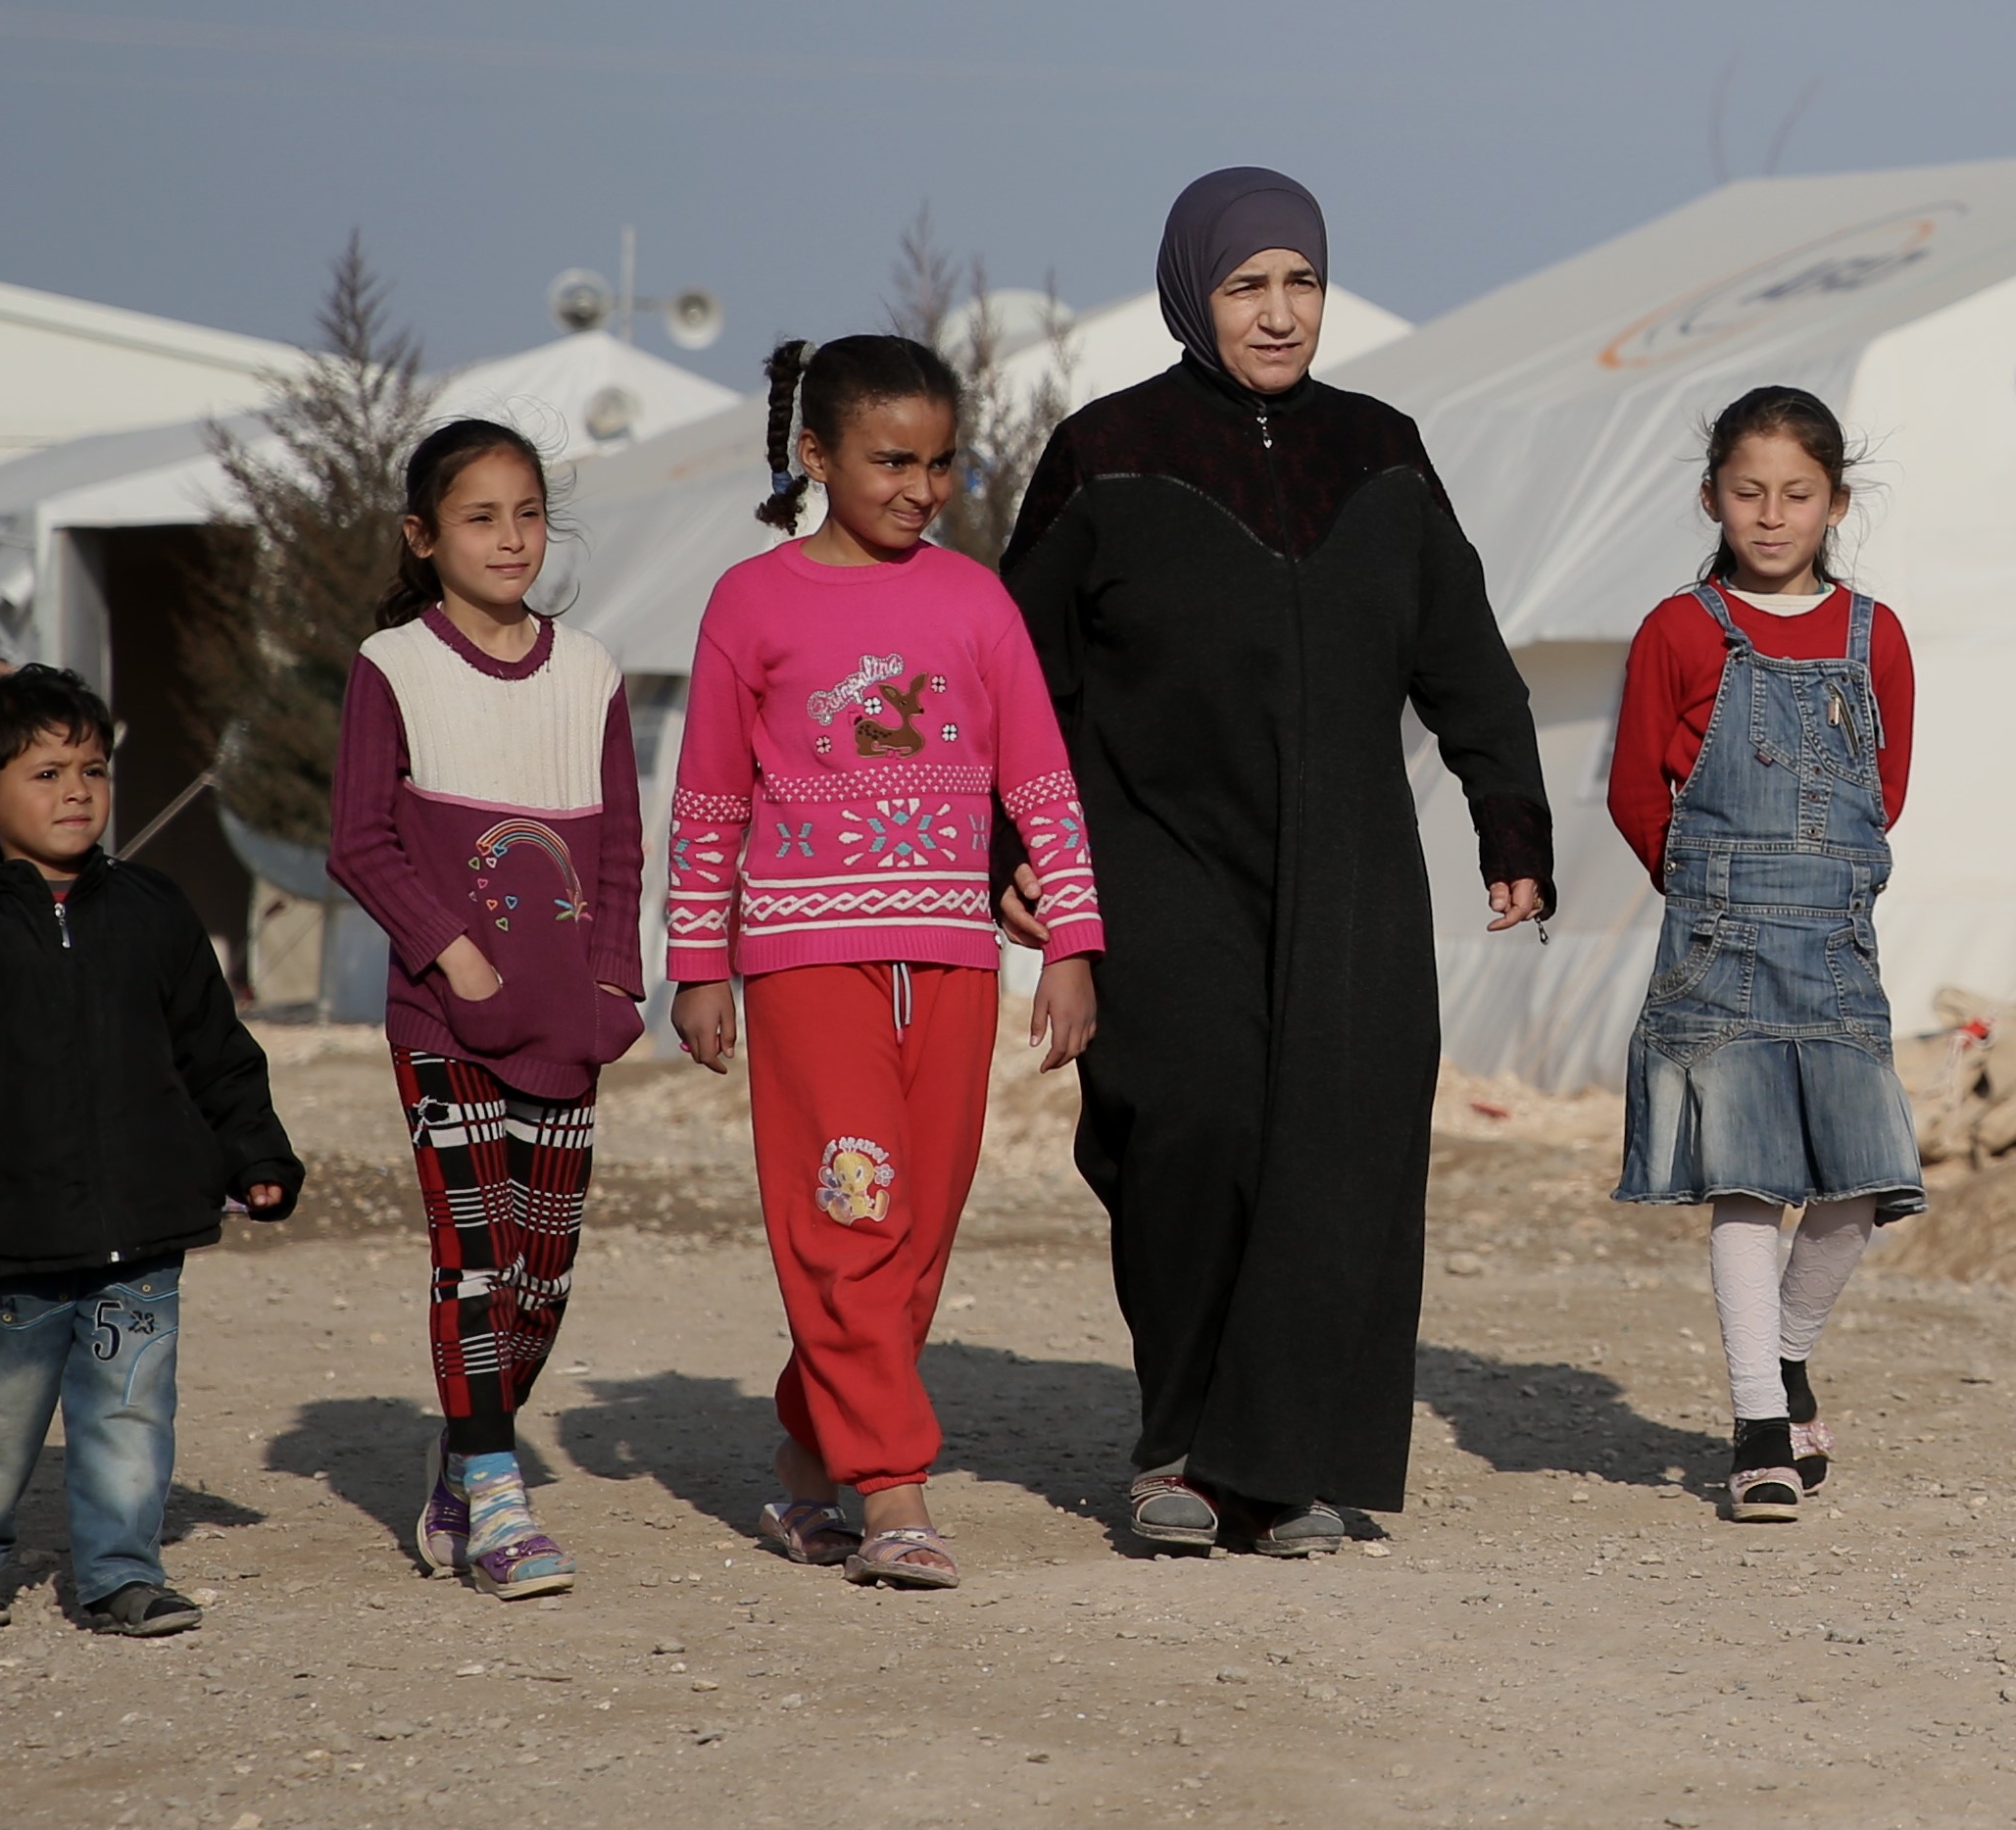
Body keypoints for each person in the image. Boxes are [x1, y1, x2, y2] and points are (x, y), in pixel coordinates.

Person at [1003, 168, 1553, 1558]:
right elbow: (1015, 673)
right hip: (1161, 853)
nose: (1278, 311)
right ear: (1194, 291)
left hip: (1354, 866)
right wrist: (1015, 846)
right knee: (1191, 1129)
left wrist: (1511, 820)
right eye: (1248, 283)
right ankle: (1182, 1441)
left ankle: (1285, 1462)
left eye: (1301, 281)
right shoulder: (1107, 454)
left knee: (1340, 1142)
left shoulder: (1382, 451)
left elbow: (1465, 657)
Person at [667, 336, 1102, 1593]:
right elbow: (708, 799)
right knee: (851, 1213)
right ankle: (895, 1492)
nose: (921, 487)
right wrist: (701, 961)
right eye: (890, 460)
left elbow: (1040, 780)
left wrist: (1070, 943)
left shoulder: (978, 600)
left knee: (912, 1237)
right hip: (806, 964)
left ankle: (809, 1463)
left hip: (958, 960)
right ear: (816, 456)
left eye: (942, 463)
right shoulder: (750, 603)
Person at [0, 667, 303, 1634]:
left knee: (129, 1415)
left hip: (141, 1236)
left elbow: (216, 1052)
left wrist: (255, 1154)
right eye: (48, 772)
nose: (76, 792)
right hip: (10, 1235)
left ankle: (120, 1574)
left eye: (93, 771)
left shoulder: (155, 911)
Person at [323, 417, 645, 1600]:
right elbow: (358, 843)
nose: (510, 539)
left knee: (541, 1273)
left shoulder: (594, 669)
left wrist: (616, 981)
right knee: (472, 1255)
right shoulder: (393, 665)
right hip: (444, 1022)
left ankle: (466, 1448)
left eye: (527, 513)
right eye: (479, 516)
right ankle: (500, 1493)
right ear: (424, 536)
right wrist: (456, 960)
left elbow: (620, 852)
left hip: (570, 1020)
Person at [1609, 385, 1926, 1522]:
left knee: (1860, 1185)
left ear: (1836, 503)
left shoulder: (1874, 633)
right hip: (1720, 939)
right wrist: (1706, 890)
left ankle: (1785, 1357)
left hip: (1837, 943)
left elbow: (1884, 791)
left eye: (1798, 494)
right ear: (1712, 498)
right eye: (1749, 493)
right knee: (1744, 1184)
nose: (1772, 514)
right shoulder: (1677, 629)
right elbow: (1635, 784)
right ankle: (1757, 1429)